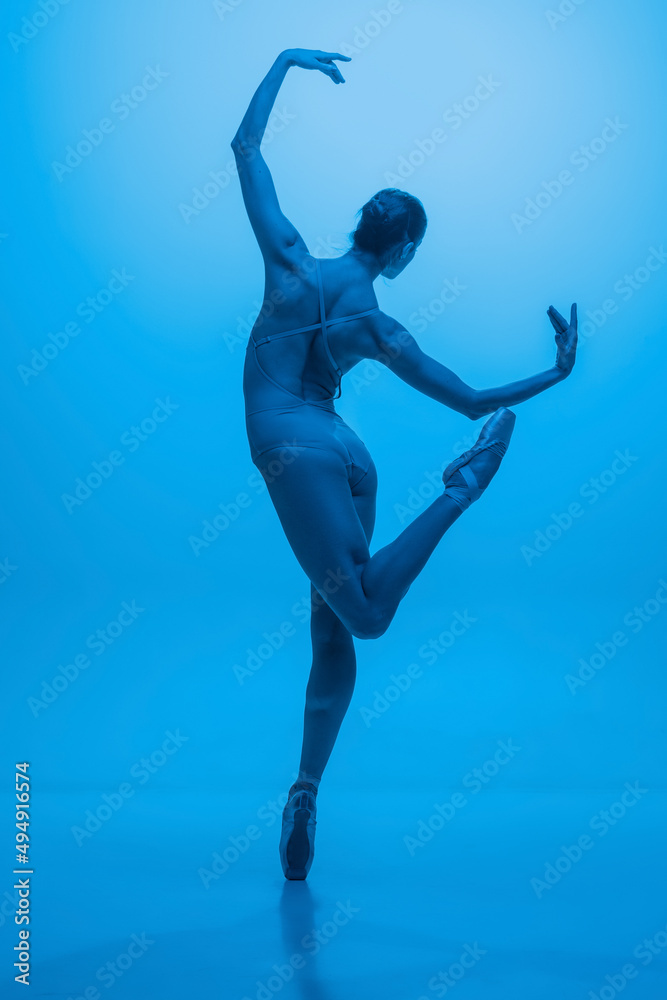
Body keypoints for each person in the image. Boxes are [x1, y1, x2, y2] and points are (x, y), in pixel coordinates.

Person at [231, 49, 578, 879]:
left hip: (290, 446)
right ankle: (306, 789)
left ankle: (460, 491)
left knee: (362, 613)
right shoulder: (380, 329)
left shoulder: (287, 259)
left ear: (360, 229)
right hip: (345, 455)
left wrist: (283, 63)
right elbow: (470, 398)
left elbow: (245, 148)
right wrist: (556, 372)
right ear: (402, 251)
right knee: (336, 622)